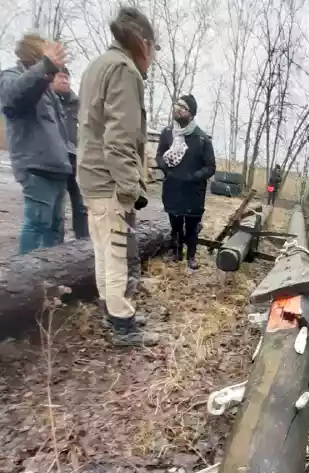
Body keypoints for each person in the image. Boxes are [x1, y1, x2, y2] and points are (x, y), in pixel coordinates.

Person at [77, 6, 160, 347]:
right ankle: (123, 327)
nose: (153, 57)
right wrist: (131, 188)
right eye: (153, 49)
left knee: (102, 251)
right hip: (110, 181)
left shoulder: (97, 65)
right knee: (116, 252)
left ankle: (113, 311)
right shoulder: (124, 71)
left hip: (91, 176)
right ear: (143, 43)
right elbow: (119, 138)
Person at [0, 34, 71, 255]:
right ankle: (25, 279)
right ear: (33, 53)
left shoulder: (46, 87)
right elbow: (14, 97)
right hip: (36, 166)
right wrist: (46, 66)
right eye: (43, 51)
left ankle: (50, 278)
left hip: (56, 167)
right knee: (37, 223)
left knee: (55, 227)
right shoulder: (12, 76)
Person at [156, 94, 216, 269]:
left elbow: (210, 167)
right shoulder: (167, 134)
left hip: (193, 192)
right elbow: (159, 155)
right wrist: (165, 169)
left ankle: (191, 256)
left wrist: (193, 177)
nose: (178, 108)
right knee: (175, 224)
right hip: (172, 188)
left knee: (191, 226)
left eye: (183, 107)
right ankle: (176, 252)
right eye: (177, 104)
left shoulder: (201, 139)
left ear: (192, 114)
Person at [51, 66, 89, 240]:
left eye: (67, 77)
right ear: (51, 79)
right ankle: (56, 243)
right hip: (54, 157)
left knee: (81, 203)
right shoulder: (47, 101)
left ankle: (83, 240)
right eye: (60, 77)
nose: (64, 80)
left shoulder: (77, 103)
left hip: (75, 157)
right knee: (56, 203)